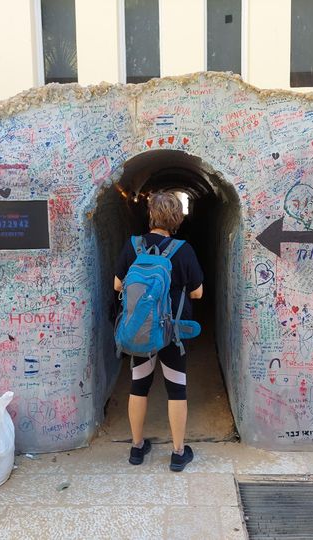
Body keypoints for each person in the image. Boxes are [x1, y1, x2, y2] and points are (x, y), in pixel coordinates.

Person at [113, 191, 204, 472]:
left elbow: (118, 286)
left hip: (143, 329)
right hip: (172, 333)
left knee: (139, 386)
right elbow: (198, 292)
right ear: (177, 218)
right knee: (176, 389)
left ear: (150, 214)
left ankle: (137, 448)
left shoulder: (133, 246)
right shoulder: (183, 249)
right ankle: (178, 453)